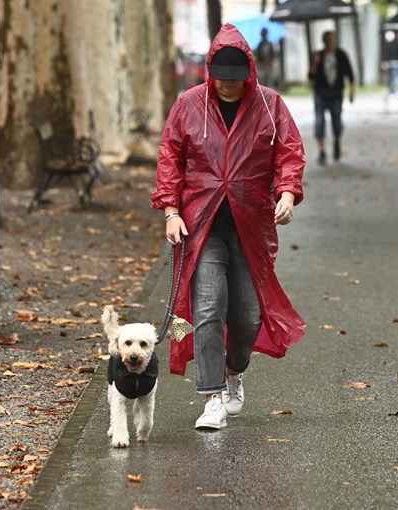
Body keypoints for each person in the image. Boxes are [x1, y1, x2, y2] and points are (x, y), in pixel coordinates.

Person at [152, 23, 307, 431]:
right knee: (206, 309)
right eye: (220, 78)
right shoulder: (188, 104)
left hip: (251, 226)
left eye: (235, 80)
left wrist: (287, 194)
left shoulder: (270, 106)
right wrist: (171, 210)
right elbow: (170, 156)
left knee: (248, 316)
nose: (226, 86)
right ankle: (212, 396)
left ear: (249, 76)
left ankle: (235, 370)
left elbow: (290, 154)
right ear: (210, 72)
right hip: (201, 226)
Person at [308, 30, 355, 165]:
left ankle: (337, 141)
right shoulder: (318, 55)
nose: (330, 42)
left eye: (332, 39)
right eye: (327, 39)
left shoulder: (341, 55)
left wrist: (352, 91)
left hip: (336, 93)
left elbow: (350, 74)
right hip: (321, 93)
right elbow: (311, 76)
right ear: (324, 41)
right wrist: (315, 63)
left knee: (337, 122)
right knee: (319, 122)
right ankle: (322, 151)